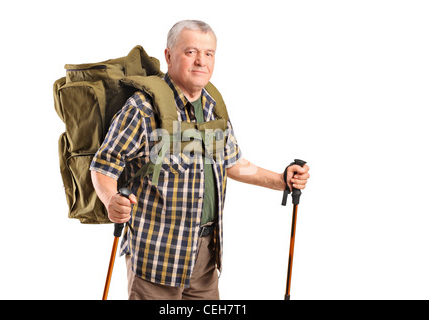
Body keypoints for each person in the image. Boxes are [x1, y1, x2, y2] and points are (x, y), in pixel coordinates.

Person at [90, 20, 310, 300]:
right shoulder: (142, 109)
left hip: (205, 255)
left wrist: (282, 180)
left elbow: (233, 163)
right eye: (190, 52)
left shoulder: (212, 107)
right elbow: (103, 165)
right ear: (169, 55)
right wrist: (111, 200)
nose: (201, 62)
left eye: (209, 53)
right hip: (156, 255)